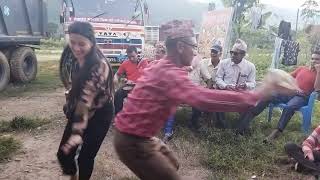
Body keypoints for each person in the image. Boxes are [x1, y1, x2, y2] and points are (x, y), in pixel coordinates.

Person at [113, 19, 288, 180]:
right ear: (181, 46)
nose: (196, 52)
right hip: (133, 141)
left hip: (141, 136)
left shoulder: (166, 66)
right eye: (194, 47)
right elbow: (205, 99)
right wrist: (259, 93)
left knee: (173, 164)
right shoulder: (169, 73)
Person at [56, 22, 114, 180]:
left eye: (81, 44)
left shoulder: (99, 66)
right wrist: (69, 89)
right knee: (63, 154)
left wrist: (77, 132)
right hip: (80, 107)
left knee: (85, 158)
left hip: (100, 113)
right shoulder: (71, 52)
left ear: (92, 43)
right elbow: (64, 70)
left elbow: (85, 102)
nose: (76, 48)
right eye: (72, 42)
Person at [236, 50, 320, 142]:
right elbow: (287, 77)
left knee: (289, 106)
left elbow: (316, 89)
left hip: (302, 97)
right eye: (312, 58)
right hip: (291, 92)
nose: (314, 61)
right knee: (267, 96)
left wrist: (318, 71)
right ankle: (243, 125)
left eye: (317, 59)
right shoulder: (302, 69)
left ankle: (277, 131)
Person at [188, 41, 225, 131]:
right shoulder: (203, 62)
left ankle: (215, 123)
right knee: (197, 100)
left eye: (215, 52)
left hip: (217, 89)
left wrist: (208, 90)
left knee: (217, 101)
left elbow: (209, 79)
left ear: (220, 53)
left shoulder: (223, 64)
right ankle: (196, 122)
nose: (213, 53)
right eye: (212, 51)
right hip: (200, 89)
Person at [114, 46, 148, 114]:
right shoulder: (125, 63)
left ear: (137, 54)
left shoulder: (143, 62)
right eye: (129, 57)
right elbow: (117, 74)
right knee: (118, 94)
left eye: (133, 56)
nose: (131, 59)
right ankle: (118, 116)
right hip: (129, 86)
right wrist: (116, 79)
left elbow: (148, 76)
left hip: (141, 87)